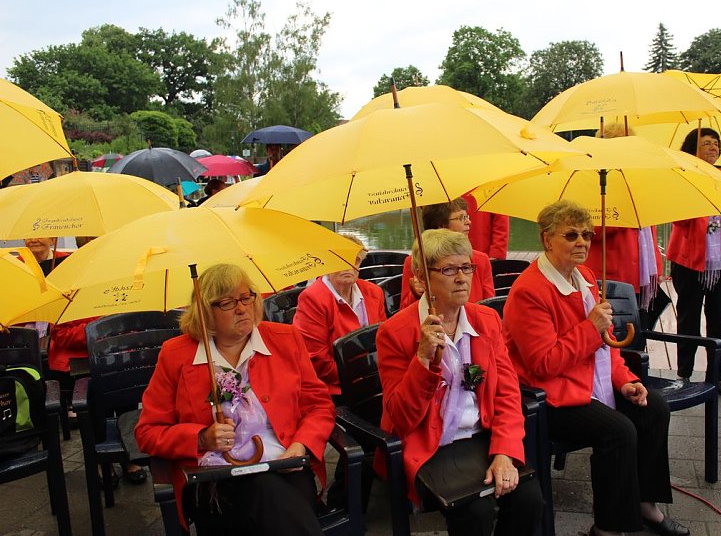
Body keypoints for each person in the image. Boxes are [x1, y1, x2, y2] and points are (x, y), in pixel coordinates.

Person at [503, 200, 688, 536]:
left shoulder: (585, 277)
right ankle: (607, 528)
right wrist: (590, 328)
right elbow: (543, 363)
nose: (582, 242)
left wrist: (625, 381)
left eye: (586, 235)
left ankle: (645, 505)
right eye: (571, 235)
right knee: (618, 430)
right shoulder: (530, 291)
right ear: (547, 239)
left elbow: (606, 348)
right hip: (551, 397)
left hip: (589, 383)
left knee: (654, 409)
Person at [135, 264, 335, 535]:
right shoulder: (175, 355)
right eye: (227, 302)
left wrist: (300, 445)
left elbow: (319, 405)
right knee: (267, 493)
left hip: (285, 466)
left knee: (273, 496)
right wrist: (201, 438)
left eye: (246, 297)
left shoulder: (285, 339)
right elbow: (147, 432)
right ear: (205, 312)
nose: (242, 308)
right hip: (214, 481)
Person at [376, 229, 543, 536]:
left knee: (529, 499)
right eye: (449, 270)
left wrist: (504, 452)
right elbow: (401, 416)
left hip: (481, 435)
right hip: (430, 444)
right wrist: (422, 360)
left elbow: (507, 393)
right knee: (476, 510)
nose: (462, 278)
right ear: (422, 279)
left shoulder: (486, 320)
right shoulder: (395, 332)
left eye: (466, 267)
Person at [669, 128, 721, 399]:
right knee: (688, 320)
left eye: (716, 144)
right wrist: (696, 190)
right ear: (693, 148)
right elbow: (678, 219)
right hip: (688, 263)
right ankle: (683, 375)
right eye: (706, 143)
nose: (713, 148)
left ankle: (716, 376)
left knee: (718, 322)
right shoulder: (682, 177)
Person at [583, 123, 666, 330]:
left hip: (643, 276)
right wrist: (625, 216)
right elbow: (590, 231)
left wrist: (658, 268)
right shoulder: (595, 181)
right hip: (611, 276)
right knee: (615, 333)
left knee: (640, 331)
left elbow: (650, 231)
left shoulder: (638, 181)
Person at [293, 234, 387, 398]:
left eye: (355, 260)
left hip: (376, 379)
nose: (348, 265)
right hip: (335, 388)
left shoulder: (374, 292)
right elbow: (317, 361)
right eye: (340, 259)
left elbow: (385, 341)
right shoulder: (312, 299)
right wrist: (361, 379)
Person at [399, 198, 495, 309]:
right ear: (441, 225)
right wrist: (416, 294)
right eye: (461, 218)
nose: (468, 222)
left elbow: (490, 305)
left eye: (466, 268)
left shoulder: (481, 260)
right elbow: (404, 310)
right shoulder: (417, 261)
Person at [463, 193, 509, 260]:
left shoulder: (491, 188)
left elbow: (501, 223)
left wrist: (496, 255)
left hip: (483, 253)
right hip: (452, 251)